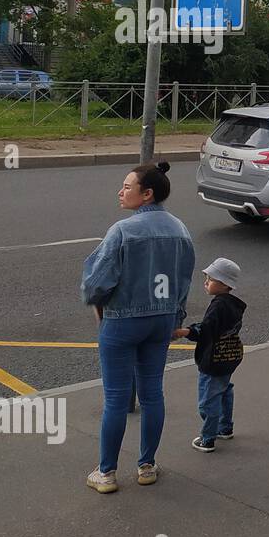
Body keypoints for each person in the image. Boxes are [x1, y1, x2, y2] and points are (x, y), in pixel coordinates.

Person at [81, 161, 195, 493]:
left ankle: (107, 473)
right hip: (161, 321)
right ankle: (147, 466)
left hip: (122, 321)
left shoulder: (122, 231)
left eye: (127, 187)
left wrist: (99, 307)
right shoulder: (180, 229)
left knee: (116, 400)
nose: (121, 191)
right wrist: (176, 318)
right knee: (152, 393)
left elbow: (96, 282)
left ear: (147, 195)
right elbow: (183, 281)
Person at [176, 258, 246, 453]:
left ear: (224, 284)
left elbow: (207, 331)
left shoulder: (218, 306)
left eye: (210, 279)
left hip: (214, 358)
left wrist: (185, 332)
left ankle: (208, 438)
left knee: (208, 400)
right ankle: (225, 427)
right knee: (224, 389)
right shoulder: (234, 304)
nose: (206, 282)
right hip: (230, 354)